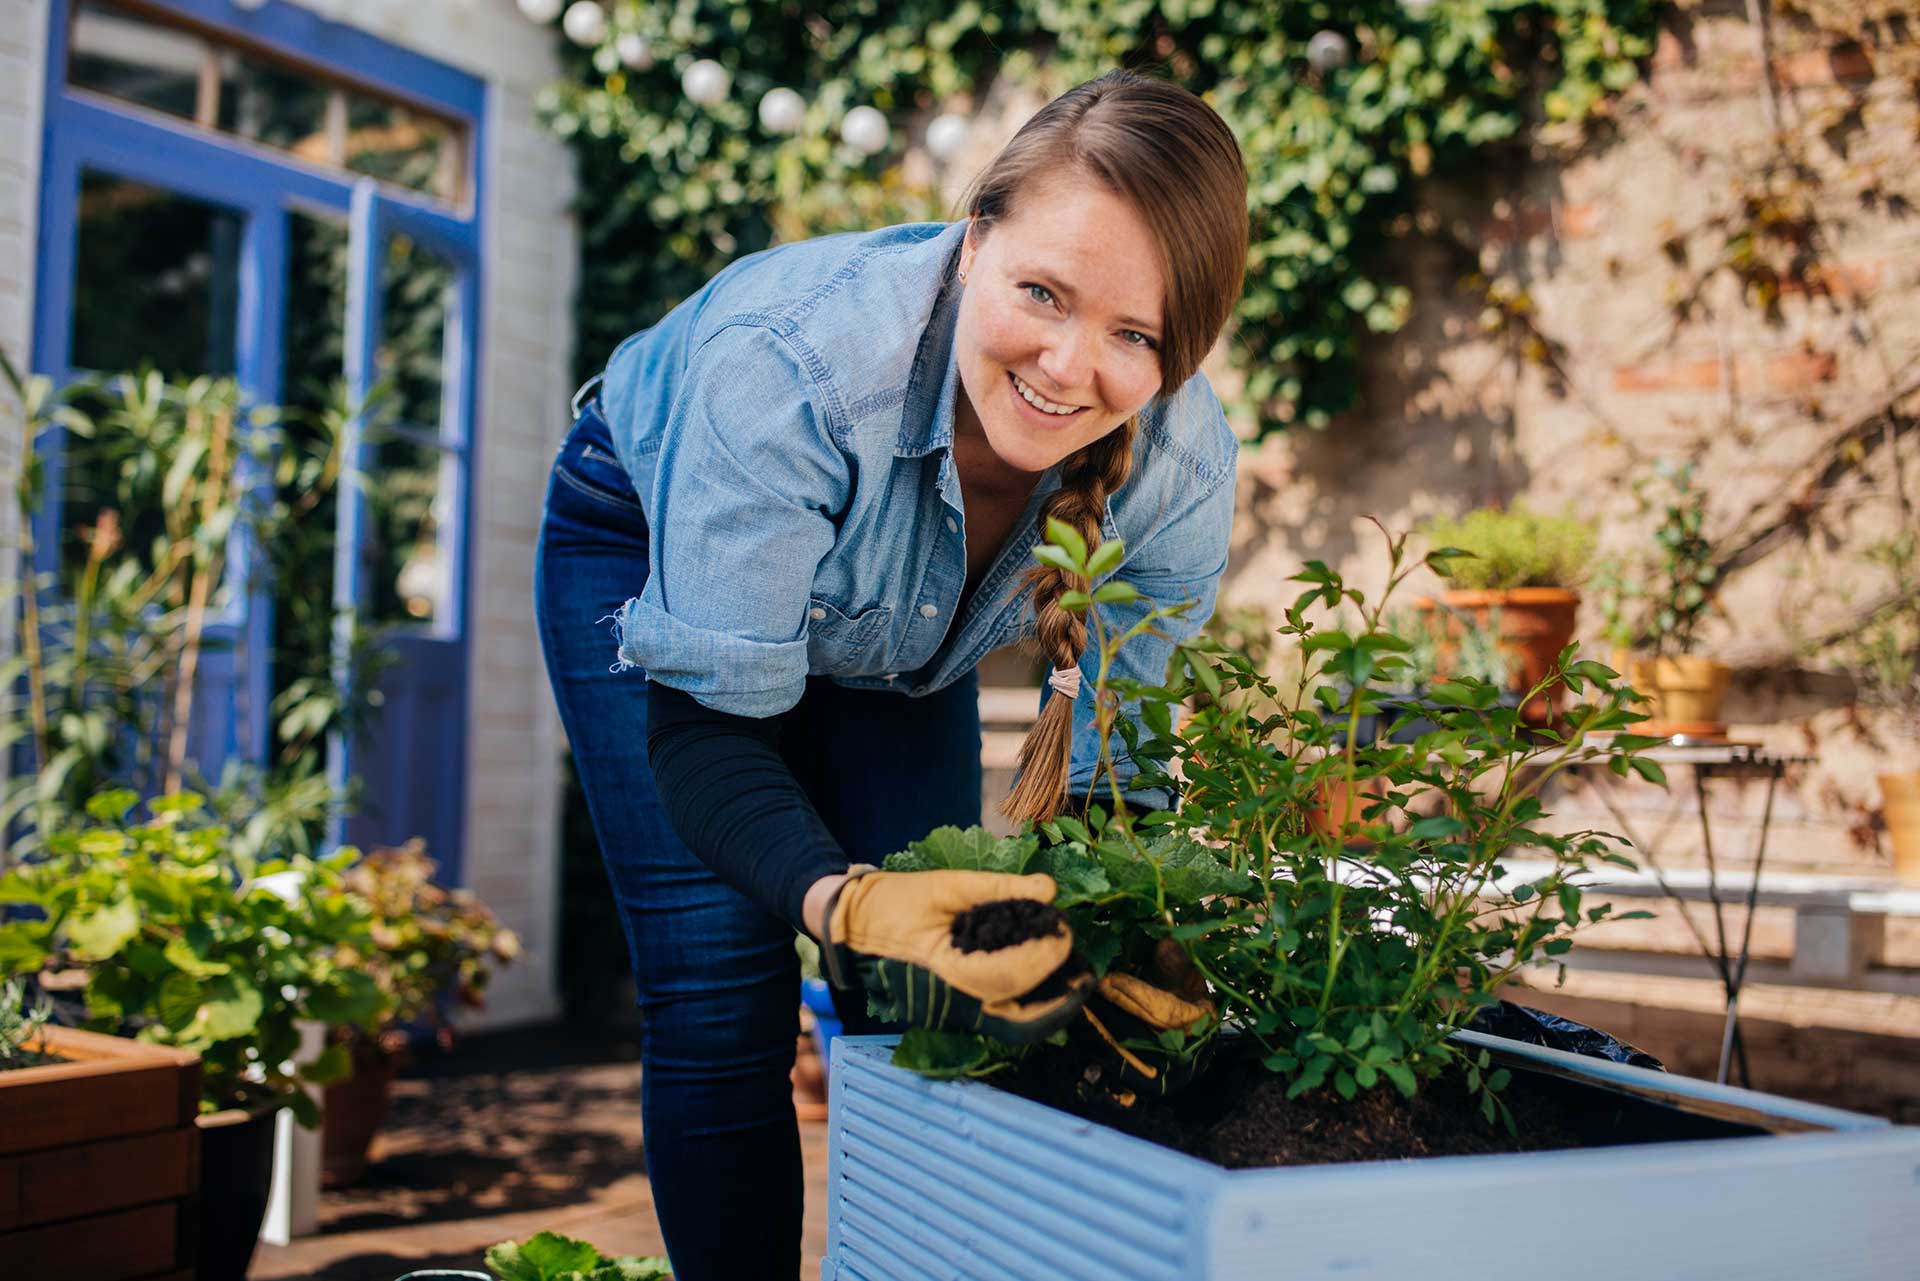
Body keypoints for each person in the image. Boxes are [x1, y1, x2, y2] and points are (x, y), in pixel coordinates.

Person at [533, 68, 1249, 1280]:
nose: (1072, 368)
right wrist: (846, 905)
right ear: (974, 243)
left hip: (892, 644)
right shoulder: (795, 372)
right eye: (1043, 293)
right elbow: (710, 741)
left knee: (933, 999)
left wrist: (1116, 928)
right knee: (719, 1002)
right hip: (643, 537)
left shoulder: (1176, 470)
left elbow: (1114, 775)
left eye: (1136, 335)